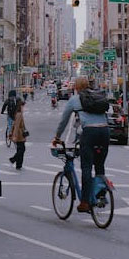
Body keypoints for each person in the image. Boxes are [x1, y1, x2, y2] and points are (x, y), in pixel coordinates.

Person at [52, 77, 109, 213]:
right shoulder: (98, 96)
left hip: (89, 133)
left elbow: (63, 121)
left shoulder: (74, 100)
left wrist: (57, 137)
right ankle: (101, 195)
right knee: (99, 165)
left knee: (86, 167)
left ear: (76, 88)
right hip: (105, 131)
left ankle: (84, 202)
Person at [9, 99, 27, 170]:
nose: (24, 108)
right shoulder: (19, 114)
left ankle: (18, 164)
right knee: (22, 149)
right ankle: (14, 159)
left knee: (20, 149)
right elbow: (16, 126)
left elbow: (15, 124)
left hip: (20, 134)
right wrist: (15, 136)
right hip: (19, 135)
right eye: (23, 106)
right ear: (20, 106)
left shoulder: (18, 113)